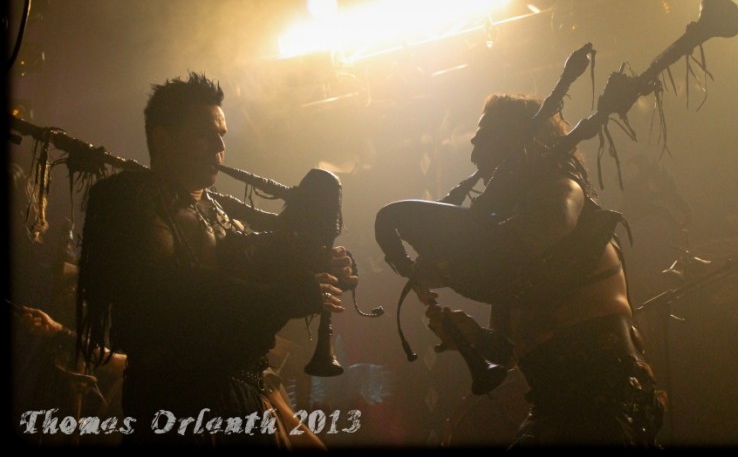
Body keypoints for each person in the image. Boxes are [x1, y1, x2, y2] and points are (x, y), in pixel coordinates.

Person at [76, 72, 357, 446]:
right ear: (162, 138)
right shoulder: (127, 199)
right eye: (205, 135)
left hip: (242, 399)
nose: (220, 146)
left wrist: (320, 266)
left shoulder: (218, 213)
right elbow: (173, 290)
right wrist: (290, 295)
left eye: (222, 135)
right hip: (174, 403)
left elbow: (255, 269)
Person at [377, 93, 666, 447]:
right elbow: (510, 350)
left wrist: (452, 259)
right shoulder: (512, 257)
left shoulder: (562, 188)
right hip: (554, 408)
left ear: (519, 139)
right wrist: (474, 337)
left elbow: (549, 222)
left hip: (605, 402)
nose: (473, 145)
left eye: (486, 134)